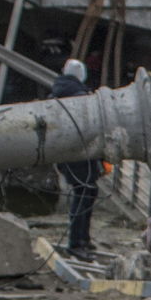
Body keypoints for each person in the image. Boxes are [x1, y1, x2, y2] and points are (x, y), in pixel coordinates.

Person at [50, 58, 100, 259]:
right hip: (79, 153)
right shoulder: (79, 96)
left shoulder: (58, 93)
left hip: (68, 153)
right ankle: (76, 242)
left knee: (88, 191)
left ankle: (83, 238)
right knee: (84, 193)